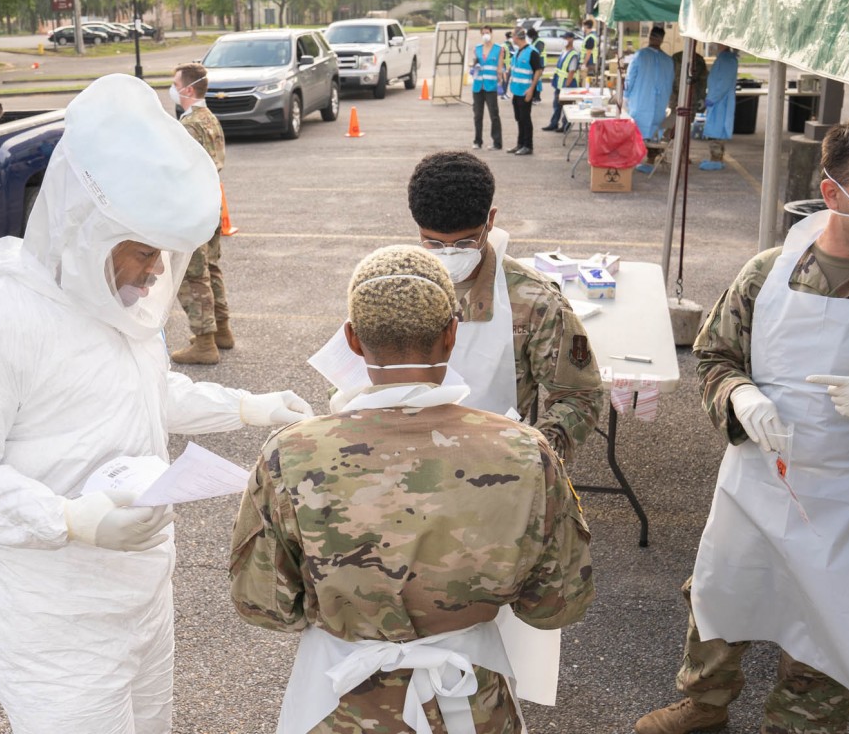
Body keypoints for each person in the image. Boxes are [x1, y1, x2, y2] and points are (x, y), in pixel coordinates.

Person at [0, 74, 314, 734]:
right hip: (53, 622)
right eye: (145, 250)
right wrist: (68, 518)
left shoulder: (114, 301)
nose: (157, 270)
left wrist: (251, 407)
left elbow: (149, 392)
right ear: (85, 226)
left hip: (142, 595)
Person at [632, 118, 849, 734]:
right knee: (720, 593)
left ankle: (799, 725)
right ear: (831, 192)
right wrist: (739, 396)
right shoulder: (767, 275)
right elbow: (714, 357)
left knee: (831, 620)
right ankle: (704, 704)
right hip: (758, 482)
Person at [229, 245, 595, 734]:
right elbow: (558, 603)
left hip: (336, 701)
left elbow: (265, 604)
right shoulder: (525, 451)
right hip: (470, 699)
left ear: (353, 341)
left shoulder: (291, 453)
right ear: (451, 335)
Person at [405, 151, 604, 462]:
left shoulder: (533, 301)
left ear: (491, 221)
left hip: (495, 467)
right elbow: (347, 382)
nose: (450, 255)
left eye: (465, 243)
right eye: (433, 243)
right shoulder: (394, 286)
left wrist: (537, 458)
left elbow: (579, 393)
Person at [168, 63, 233, 365]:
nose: (172, 88)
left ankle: (205, 343)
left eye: (175, 83)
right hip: (212, 203)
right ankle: (222, 330)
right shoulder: (210, 119)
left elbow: (178, 169)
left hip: (193, 206)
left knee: (193, 275)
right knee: (211, 267)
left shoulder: (188, 125)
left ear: (188, 90)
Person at [624, 24, 673, 172]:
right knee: (653, 134)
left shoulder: (640, 56)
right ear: (662, 40)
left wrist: (625, 96)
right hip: (659, 105)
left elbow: (630, 78)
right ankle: (650, 160)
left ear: (650, 37)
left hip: (640, 103)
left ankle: (634, 160)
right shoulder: (668, 60)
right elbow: (670, 82)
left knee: (636, 132)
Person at [699, 44, 738, 171]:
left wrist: (711, 99)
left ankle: (715, 160)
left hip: (720, 102)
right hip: (718, 101)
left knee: (717, 131)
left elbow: (723, 84)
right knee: (716, 130)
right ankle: (717, 159)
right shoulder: (724, 58)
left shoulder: (727, 60)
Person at [506, 28, 545, 156]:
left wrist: (531, 89)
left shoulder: (532, 52)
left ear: (517, 37)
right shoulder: (518, 51)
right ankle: (520, 143)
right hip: (516, 91)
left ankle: (528, 146)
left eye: (513, 36)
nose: (512, 39)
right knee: (519, 119)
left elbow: (538, 71)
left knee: (525, 118)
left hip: (526, 91)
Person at [470, 25, 506, 150]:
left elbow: (500, 68)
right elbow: (474, 64)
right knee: (477, 115)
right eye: (483, 33)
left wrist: (501, 82)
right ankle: (477, 141)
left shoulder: (498, 49)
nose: (485, 34)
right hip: (478, 86)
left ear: (491, 33)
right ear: (481, 34)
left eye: (487, 32)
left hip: (491, 87)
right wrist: (474, 67)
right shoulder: (477, 49)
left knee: (494, 115)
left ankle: (497, 142)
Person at [542, 31, 581, 133]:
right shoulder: (564, 51)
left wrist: (566, 87)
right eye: (563, 38)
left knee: (566, 107)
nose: (564, 40)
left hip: (567, 85)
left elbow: (571, 72)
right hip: (559, 84)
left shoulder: (573, 54)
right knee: (556, 105)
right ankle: (554, 124)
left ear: (571, 39)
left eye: (566, 38)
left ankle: (565, 125)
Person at [581, 18, 599, 83]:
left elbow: (588, 52)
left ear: (586, 26)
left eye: (583, 26)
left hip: (589, 63)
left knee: (587, 82)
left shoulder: (590, 38)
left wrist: (584, 64)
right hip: (590, 62)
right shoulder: (591, 36)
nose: (583, 28)